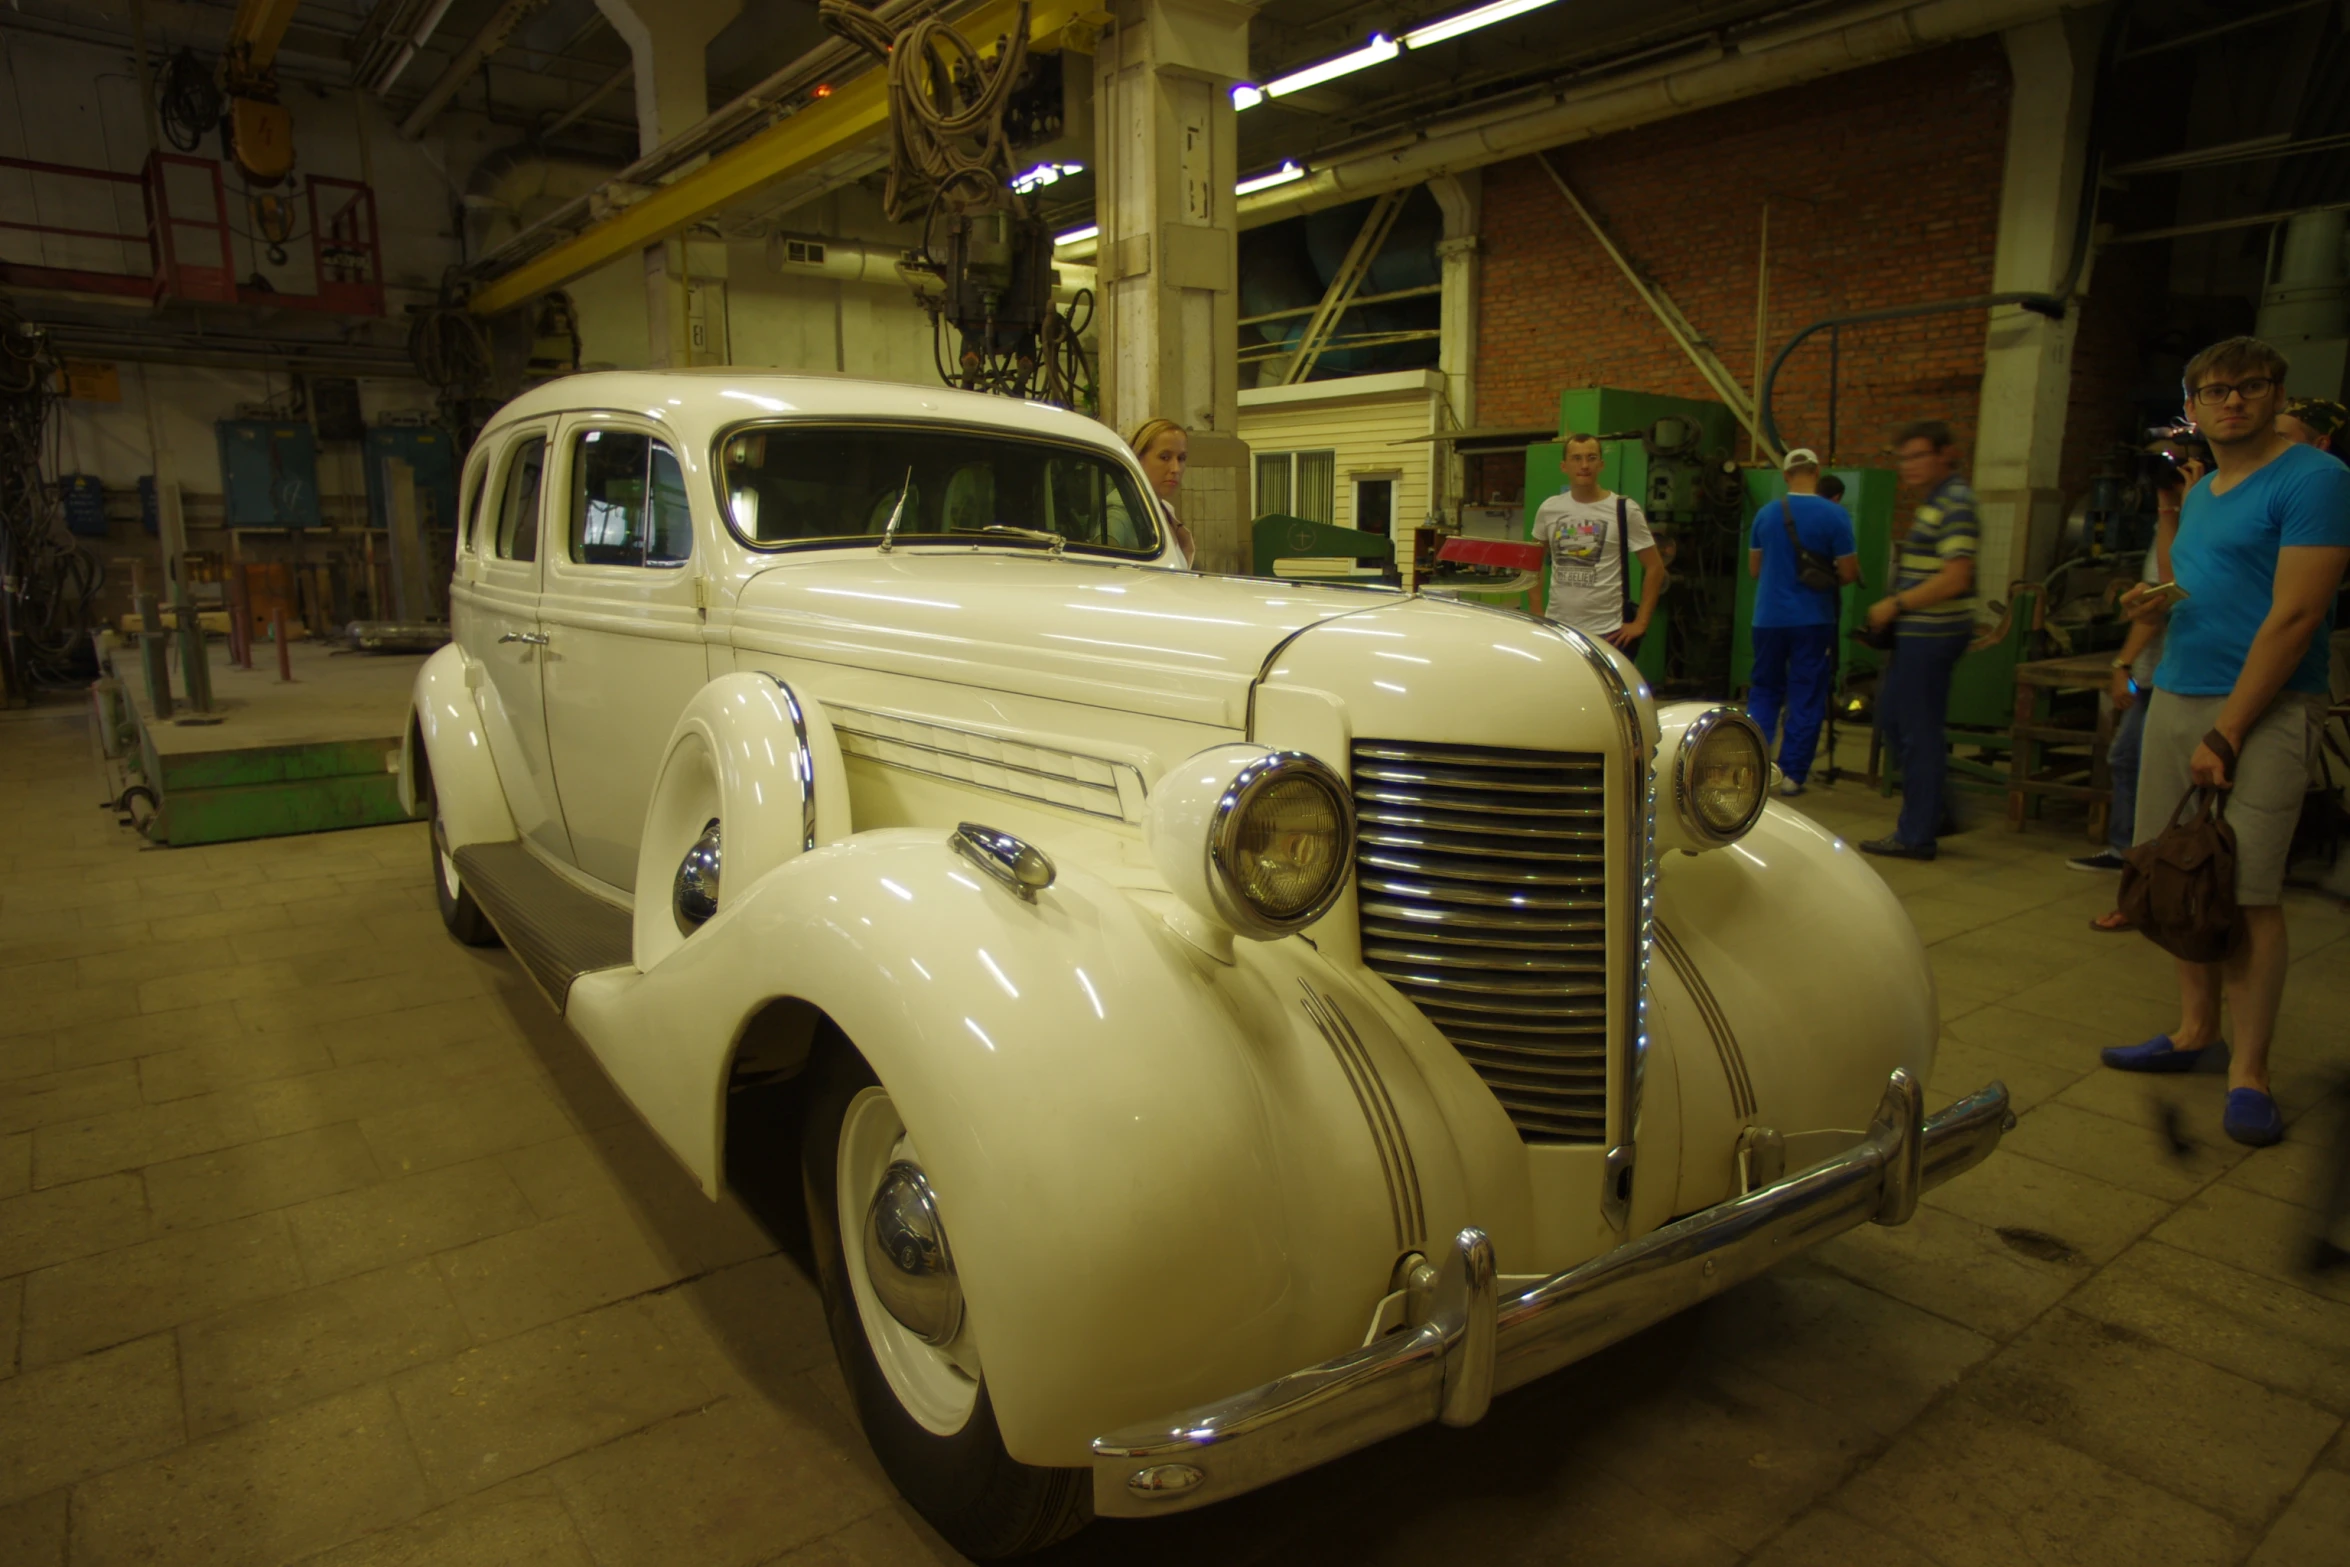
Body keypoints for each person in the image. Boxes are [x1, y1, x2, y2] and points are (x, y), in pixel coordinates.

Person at [2099, 336, 2350, 1149]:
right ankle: (2192, 1030)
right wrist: (2151, 606)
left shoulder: (2316, 479)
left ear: (2276, 394)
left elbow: (2298, 613)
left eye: (2248, 387)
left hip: (2264, 706)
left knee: (2248, 888)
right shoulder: (2205, 489)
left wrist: (2231, 727)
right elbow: (2196, 585)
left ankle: (2250, 1073)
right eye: (2213, 391)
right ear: (2194, 405)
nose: (2231, 401)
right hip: (2178, 690)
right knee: (2181, 871)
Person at [1859, 420, 1978, 860]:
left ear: (1945, 454)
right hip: (1917, 636)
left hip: (1932, 635)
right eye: (1903, 458)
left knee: (1916, 730)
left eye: (1918, 456)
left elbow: (1956, 577)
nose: (1908, 466)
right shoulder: (1936, 502)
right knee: (1894, 720)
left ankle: (1916, 835)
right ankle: (1936, 811)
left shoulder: (1957, 504)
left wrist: (1897, 604)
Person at [1747, 448, 1859, 795]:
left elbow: (1755, 570)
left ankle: (1754, 770)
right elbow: (1850, 573)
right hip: (1813, 619)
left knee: (1764, 691)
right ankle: (1792, 775)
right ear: (1817, 470)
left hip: (1767, 618)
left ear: (1785, 475)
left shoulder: (1765, 515)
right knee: (1806, 694)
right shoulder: (1835, 516)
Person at [1532, 432, 1664, 650]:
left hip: (1608, 632)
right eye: (1576, 458)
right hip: (1559, 629)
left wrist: (1640, 622)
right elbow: (1532, 562)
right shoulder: (1549, 509)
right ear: (1564, 466)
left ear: (1601, 465)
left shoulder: (1624, 509)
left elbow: (1655, 567)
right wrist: (1537, 613)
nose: (1584, 465)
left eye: (1591, 458)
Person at [1128, 418, 1197, 567]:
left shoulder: (1166, 510)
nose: (1176, 469)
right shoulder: (1121, 513)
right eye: (1164, 457)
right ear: (1138, 458)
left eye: (1181, 458)